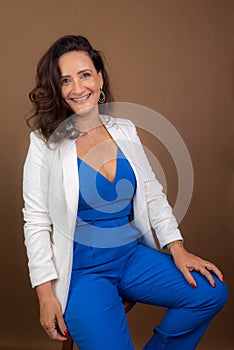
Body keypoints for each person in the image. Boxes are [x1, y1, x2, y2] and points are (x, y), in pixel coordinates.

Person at [22, 35, 228, 350]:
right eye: (66, 80)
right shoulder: (44, 143)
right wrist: (44, 295)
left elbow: (151, 192)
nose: (78, 88)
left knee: (210, 292)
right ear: (57, 89)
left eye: (85, 74)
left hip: (131, 258)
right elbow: (36, 220)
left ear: (100, 77)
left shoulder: (124, 129)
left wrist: (177, 247)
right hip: (82, 273)